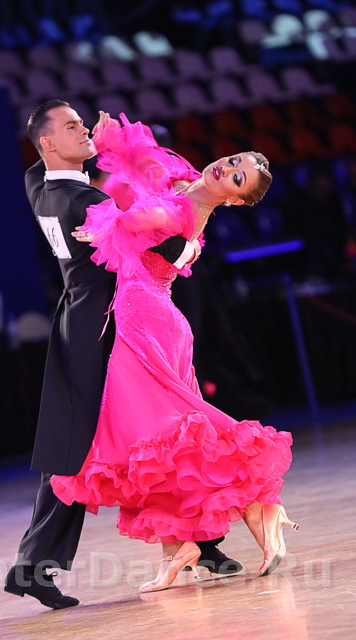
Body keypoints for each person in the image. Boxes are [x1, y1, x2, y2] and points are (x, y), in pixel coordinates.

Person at [4, 99, 237, 610]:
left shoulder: (38, 185)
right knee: (89, 448)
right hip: (109, 324)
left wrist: (94, 149)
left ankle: (202, 544)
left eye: (81, 123)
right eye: (71, 127)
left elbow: (44, 167)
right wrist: (194, 229)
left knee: (162, 430)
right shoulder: (85, 202)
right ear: (48, 142)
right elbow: (159, 249)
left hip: (84, 316)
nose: (83, 130)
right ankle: (33, 565)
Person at [50, 112, 297, 593]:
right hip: (147, 320)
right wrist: (112, 143)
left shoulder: (181, 212)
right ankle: (181, 544)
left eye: (237, 177)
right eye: (233, 161)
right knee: (156, 442)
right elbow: (145, 163)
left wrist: (104, 225)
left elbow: (133, 221)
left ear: (235, 199)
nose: (227, 168)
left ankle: (255, 509)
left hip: (146, 325)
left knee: (159, 436)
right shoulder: (182, 183)